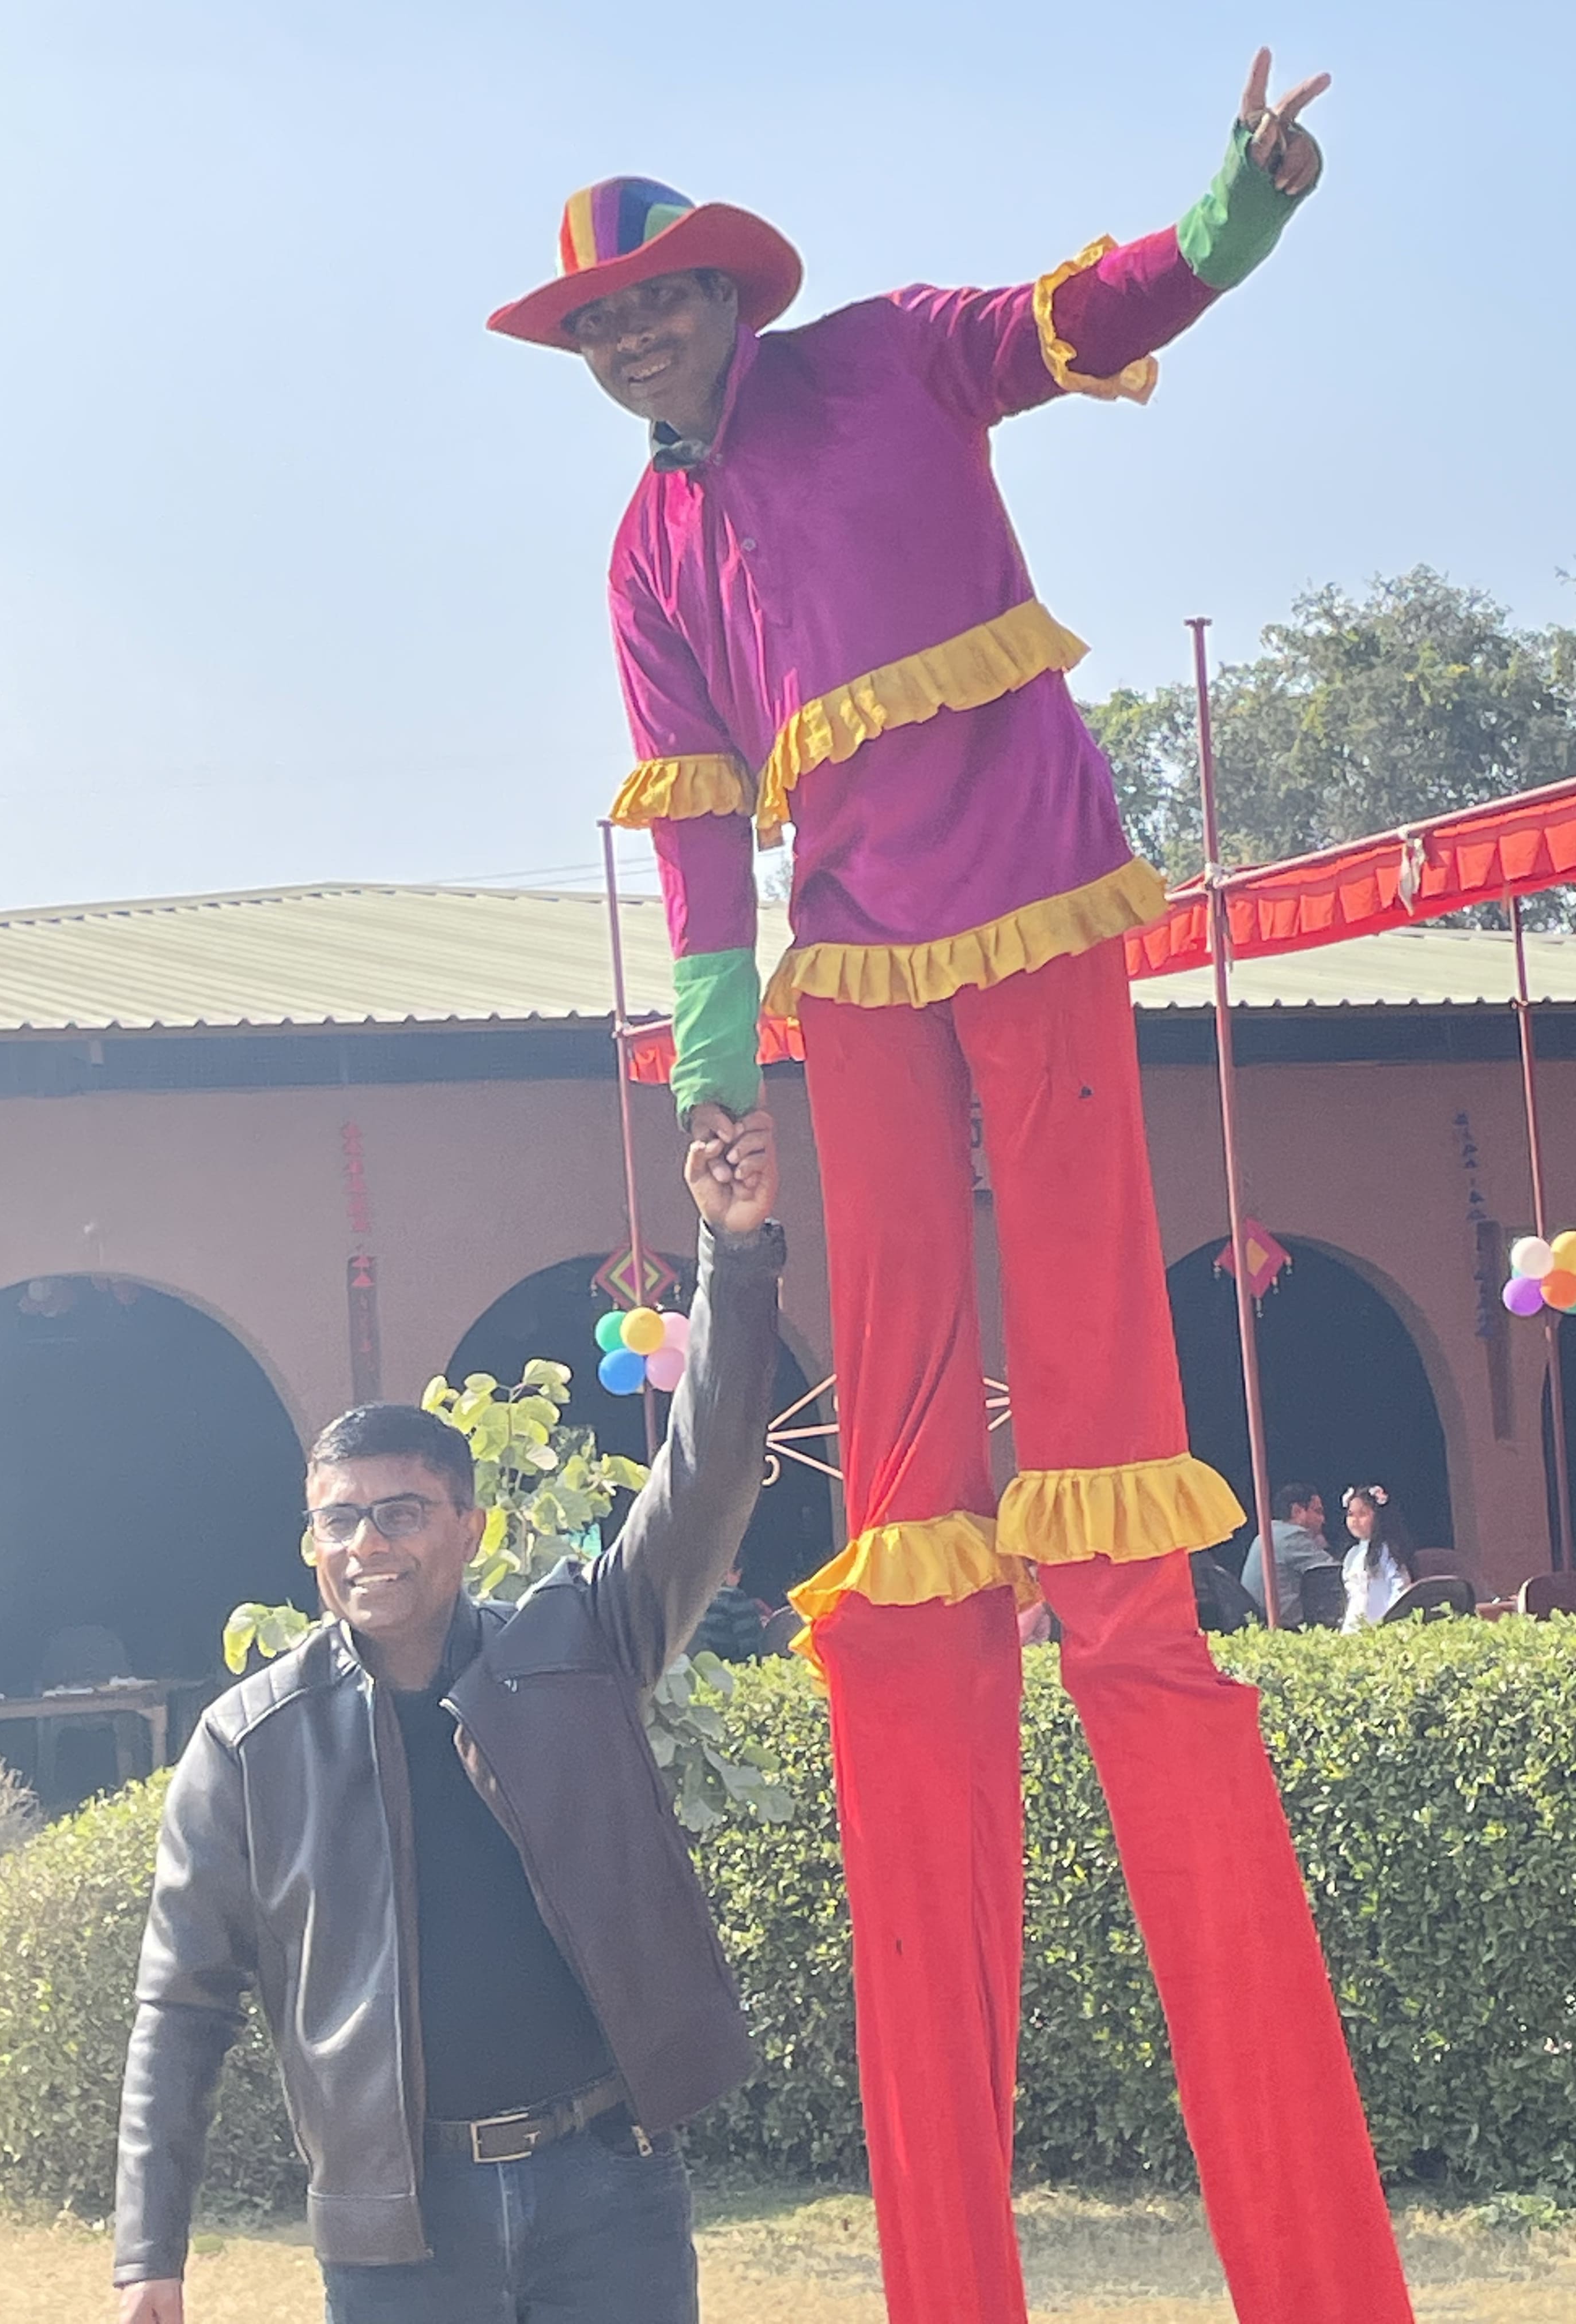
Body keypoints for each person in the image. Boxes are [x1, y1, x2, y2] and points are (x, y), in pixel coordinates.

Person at [489, 49, 1416, 2324]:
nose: (625, 348)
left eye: (652, 309)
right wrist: (718, 1085)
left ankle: (1110, 1581)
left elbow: (1071, 319)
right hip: (865, 988)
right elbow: (703, 852)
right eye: (593, 331)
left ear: (722, 298)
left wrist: (1236, 208)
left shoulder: (887, 360)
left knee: (1096, 1424)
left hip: (1043, 903)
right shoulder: (647, 549)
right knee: (906, 1488)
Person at [112, 1111, 782, 2324]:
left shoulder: (578, 1643)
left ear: (470, 1527)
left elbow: (708, 1476)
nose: (368, 1543)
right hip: (401, 2227)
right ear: (312, 1541)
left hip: (607, 2189)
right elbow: (182, 1999)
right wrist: (147, 2255)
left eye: (404, 1513)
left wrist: (735, 1260)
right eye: (341, 1519)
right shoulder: (250, 1745)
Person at [1242, 1481, 1339, 1627]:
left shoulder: (1267, 1534)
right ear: (1297, 1511)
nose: (1323, 1520)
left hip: (1259, 1623)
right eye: (1318, 1512)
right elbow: (1336, 1572)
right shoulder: (1291, 1535)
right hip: (1284, 1629)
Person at [1340, 1482, 1414, 1630]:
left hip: (1382, 1621)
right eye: (1350, 1514)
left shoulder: (1387, 1551)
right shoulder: (1352, 1554)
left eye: (1362, 1514)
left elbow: (1399, 1587)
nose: (1355, 1520)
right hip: (1355, 1621)